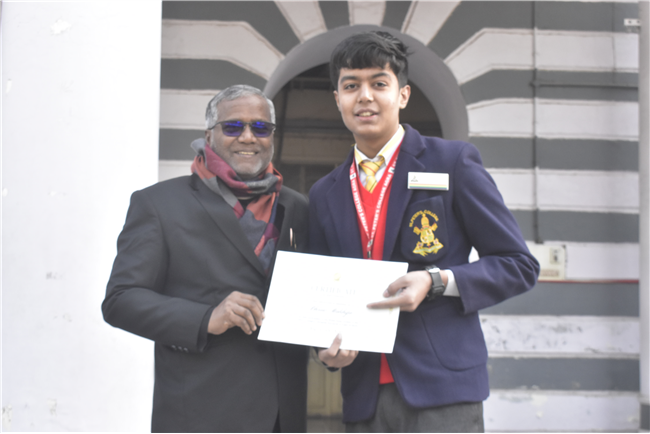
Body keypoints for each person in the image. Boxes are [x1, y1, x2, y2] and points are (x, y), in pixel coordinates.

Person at [309, 32, 540, 432]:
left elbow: (518, 265)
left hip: (443, 389)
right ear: (337, 99)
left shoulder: (452, 162)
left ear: (403, 95)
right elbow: (318, 291)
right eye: (351, 86)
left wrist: (436, 281)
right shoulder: (325, 192)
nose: (365, 96)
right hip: (364, 395)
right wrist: (322, 350)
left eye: (379, 83)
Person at [102, 85, 309, 433]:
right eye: (233, 126)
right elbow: (120, 300)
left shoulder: (297, 207)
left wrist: (332, 348)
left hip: (281, 417)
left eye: (261, 127)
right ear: (209, 135)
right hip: (199, 414)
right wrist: (206, 318)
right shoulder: (159, 204)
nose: (248, 137)